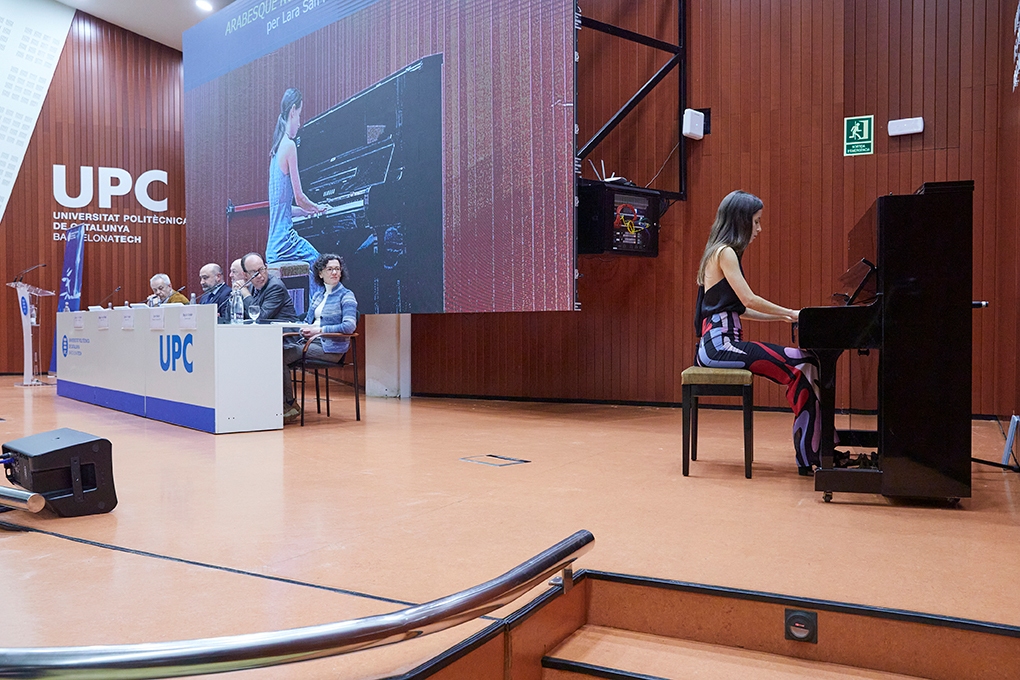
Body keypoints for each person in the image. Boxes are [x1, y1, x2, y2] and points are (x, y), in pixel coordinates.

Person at [694, 190, 821, 475]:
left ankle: (816, 448)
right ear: (741, 221)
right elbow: (749, 299)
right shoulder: (725, 252)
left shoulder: (718, 251)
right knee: (802, 363)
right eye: (756, 221)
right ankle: (811, 454)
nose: (759, 229)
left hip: (718, 345)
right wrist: (792, 312)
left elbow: (739, 309)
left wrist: (783, 317)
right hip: (719, 348)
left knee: (806, 361)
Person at [282, 253, 358, 422]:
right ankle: (284, 404)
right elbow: (307, 322)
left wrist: (319, 330)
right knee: (277, 354)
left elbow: (349, 326)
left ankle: (289, 405)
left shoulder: (346, 296)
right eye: (330, 269)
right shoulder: (318, 295)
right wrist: (302, 329)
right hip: (310, 343)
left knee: (280, 357)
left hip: (330, 349)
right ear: (320, 273)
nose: (335, 272)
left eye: (337, 269)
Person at [267, 88, 328, 284]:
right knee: (323, 270)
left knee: (314, 273)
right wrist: (317, 207)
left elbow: (282, 209)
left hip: (273, 248)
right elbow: (300, 197)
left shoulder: (276, 150)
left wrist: (306, 212)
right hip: (286, 243)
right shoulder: (289, 146)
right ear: (293, 110)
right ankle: (316, 306)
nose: (300, 123)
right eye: (300, 115)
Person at [237, 252, 299, 322]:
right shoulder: (250, 287)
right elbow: (233, 317)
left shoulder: (275, 287)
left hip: (284, 328)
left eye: (261, 269)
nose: (259, 275)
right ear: (245, 275)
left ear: (266, 268)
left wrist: (246, 294)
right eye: (253, 272)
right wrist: (235, 297)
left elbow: (260, 317)